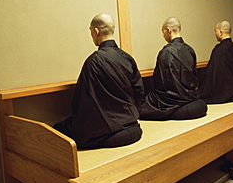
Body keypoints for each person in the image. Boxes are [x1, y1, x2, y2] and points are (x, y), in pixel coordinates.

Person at [53, 14, 144, 149]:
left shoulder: (93, 62)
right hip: (132, 126)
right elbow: (139, 92)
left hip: (109, 129)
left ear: (96, 31)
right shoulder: (127, 58)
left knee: (58, 129)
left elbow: (83, 103)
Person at [139, 17, 207, 120]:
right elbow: (194, 77)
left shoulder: (166, 52)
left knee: (142, 107)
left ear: (168, 30)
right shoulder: (190, 50)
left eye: (163, 32)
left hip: (171, 99)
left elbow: (160, 83)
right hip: (190, 95)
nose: (163, 36)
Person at [199, 20, 233, 104]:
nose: (215, 33)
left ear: (221, 32)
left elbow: (211, 73)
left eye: (216, 31)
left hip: (223, 91)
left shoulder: (219, 49)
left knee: (201, 95)